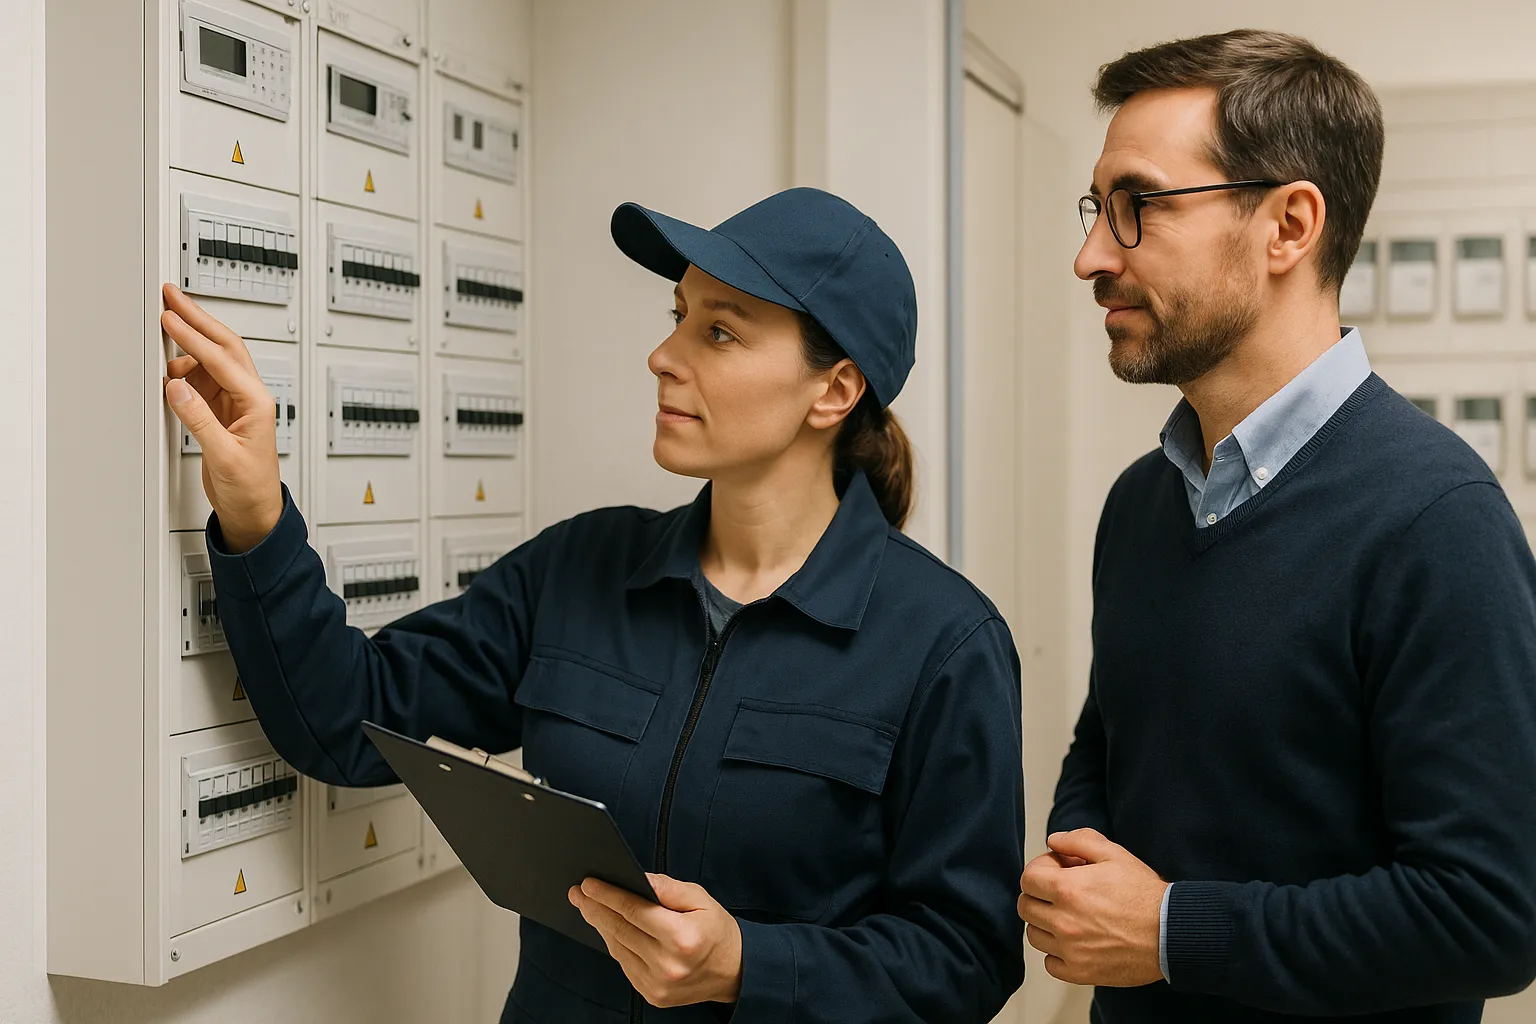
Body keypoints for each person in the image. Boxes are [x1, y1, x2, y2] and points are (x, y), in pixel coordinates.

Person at [159, 186, 1026, 1023]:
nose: (665, 355)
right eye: (677, 316)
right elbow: (346, 721)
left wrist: (748, 969)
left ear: (833, 391)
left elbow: (967, 956)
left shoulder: (945, 643)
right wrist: (256, 511)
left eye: (719, 331)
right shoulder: (582, 568)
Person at [1015, 29, 1536, 1024]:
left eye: (1138, 207)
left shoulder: (1439, 522)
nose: (1091, 256)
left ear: (1288, 226)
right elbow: (1115, 736)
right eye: (1096, 209)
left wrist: (1168, 929)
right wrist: (1082, 859)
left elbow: (1488, 914)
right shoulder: (1142, 500)